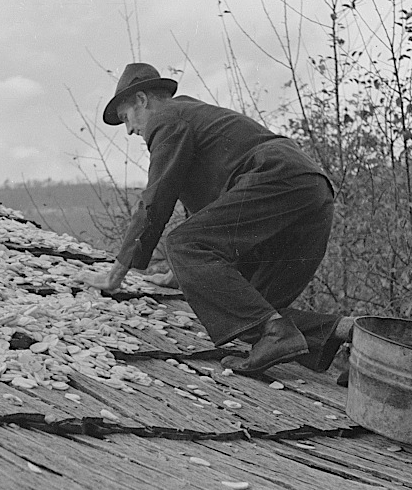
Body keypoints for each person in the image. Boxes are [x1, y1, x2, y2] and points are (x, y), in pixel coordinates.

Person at [76, 63, 353, 377]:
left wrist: (119, 271)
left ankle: (279, 333)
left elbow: (155, 199)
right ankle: (348, 334)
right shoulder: (191, 116)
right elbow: (214, 215)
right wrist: (181, 272)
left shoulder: (167, 118)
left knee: (184, 244)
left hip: (277, 177)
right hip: (311, 192)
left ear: (141, 99)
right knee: (238, 307)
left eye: (126, 117)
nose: (129, 130)